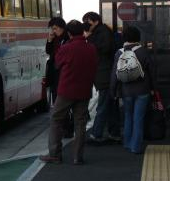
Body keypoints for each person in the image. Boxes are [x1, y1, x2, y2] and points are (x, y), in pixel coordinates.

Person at [40, 20, 98, 165]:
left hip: (66, 90)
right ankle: (78, 156)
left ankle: (55, 154)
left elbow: (57, 63)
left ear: (69, 33)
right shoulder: (91, 48)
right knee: (80, 123)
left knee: (56, 120)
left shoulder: (66, 47)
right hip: (84, 90)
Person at [109, 26, 156, 154]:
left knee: (128, 116)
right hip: (143, 90)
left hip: (126, 91)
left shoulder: (119, 53)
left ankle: (127, 143)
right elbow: (152, 72)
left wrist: (112, 91)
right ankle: (136, 147)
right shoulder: (143, 52)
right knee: (138, 118)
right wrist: (153, 88)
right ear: (138, 37)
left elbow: (114, 74)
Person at [82, 11, 121, 143]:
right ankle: (114, 133)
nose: (86, 25)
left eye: (88, 22)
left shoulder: (102, 32)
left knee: (103, 105)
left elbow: (103, 49)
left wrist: (88, 38)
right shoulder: (101, 32)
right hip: (105, 74)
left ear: (95, 21)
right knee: (110, 106)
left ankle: (96, 134)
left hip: (105, 74)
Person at [45, 17, 74, 137]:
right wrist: (50, 40)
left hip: (63, 74)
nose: (53, 31)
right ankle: (63, 128)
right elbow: (48, 51)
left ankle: (67, 129)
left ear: (61, 27)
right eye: (52, 29)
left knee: (62, 105)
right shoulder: (55, 39)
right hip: (54, 75)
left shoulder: (67, 38)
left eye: (55, 29)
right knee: (56, 101)